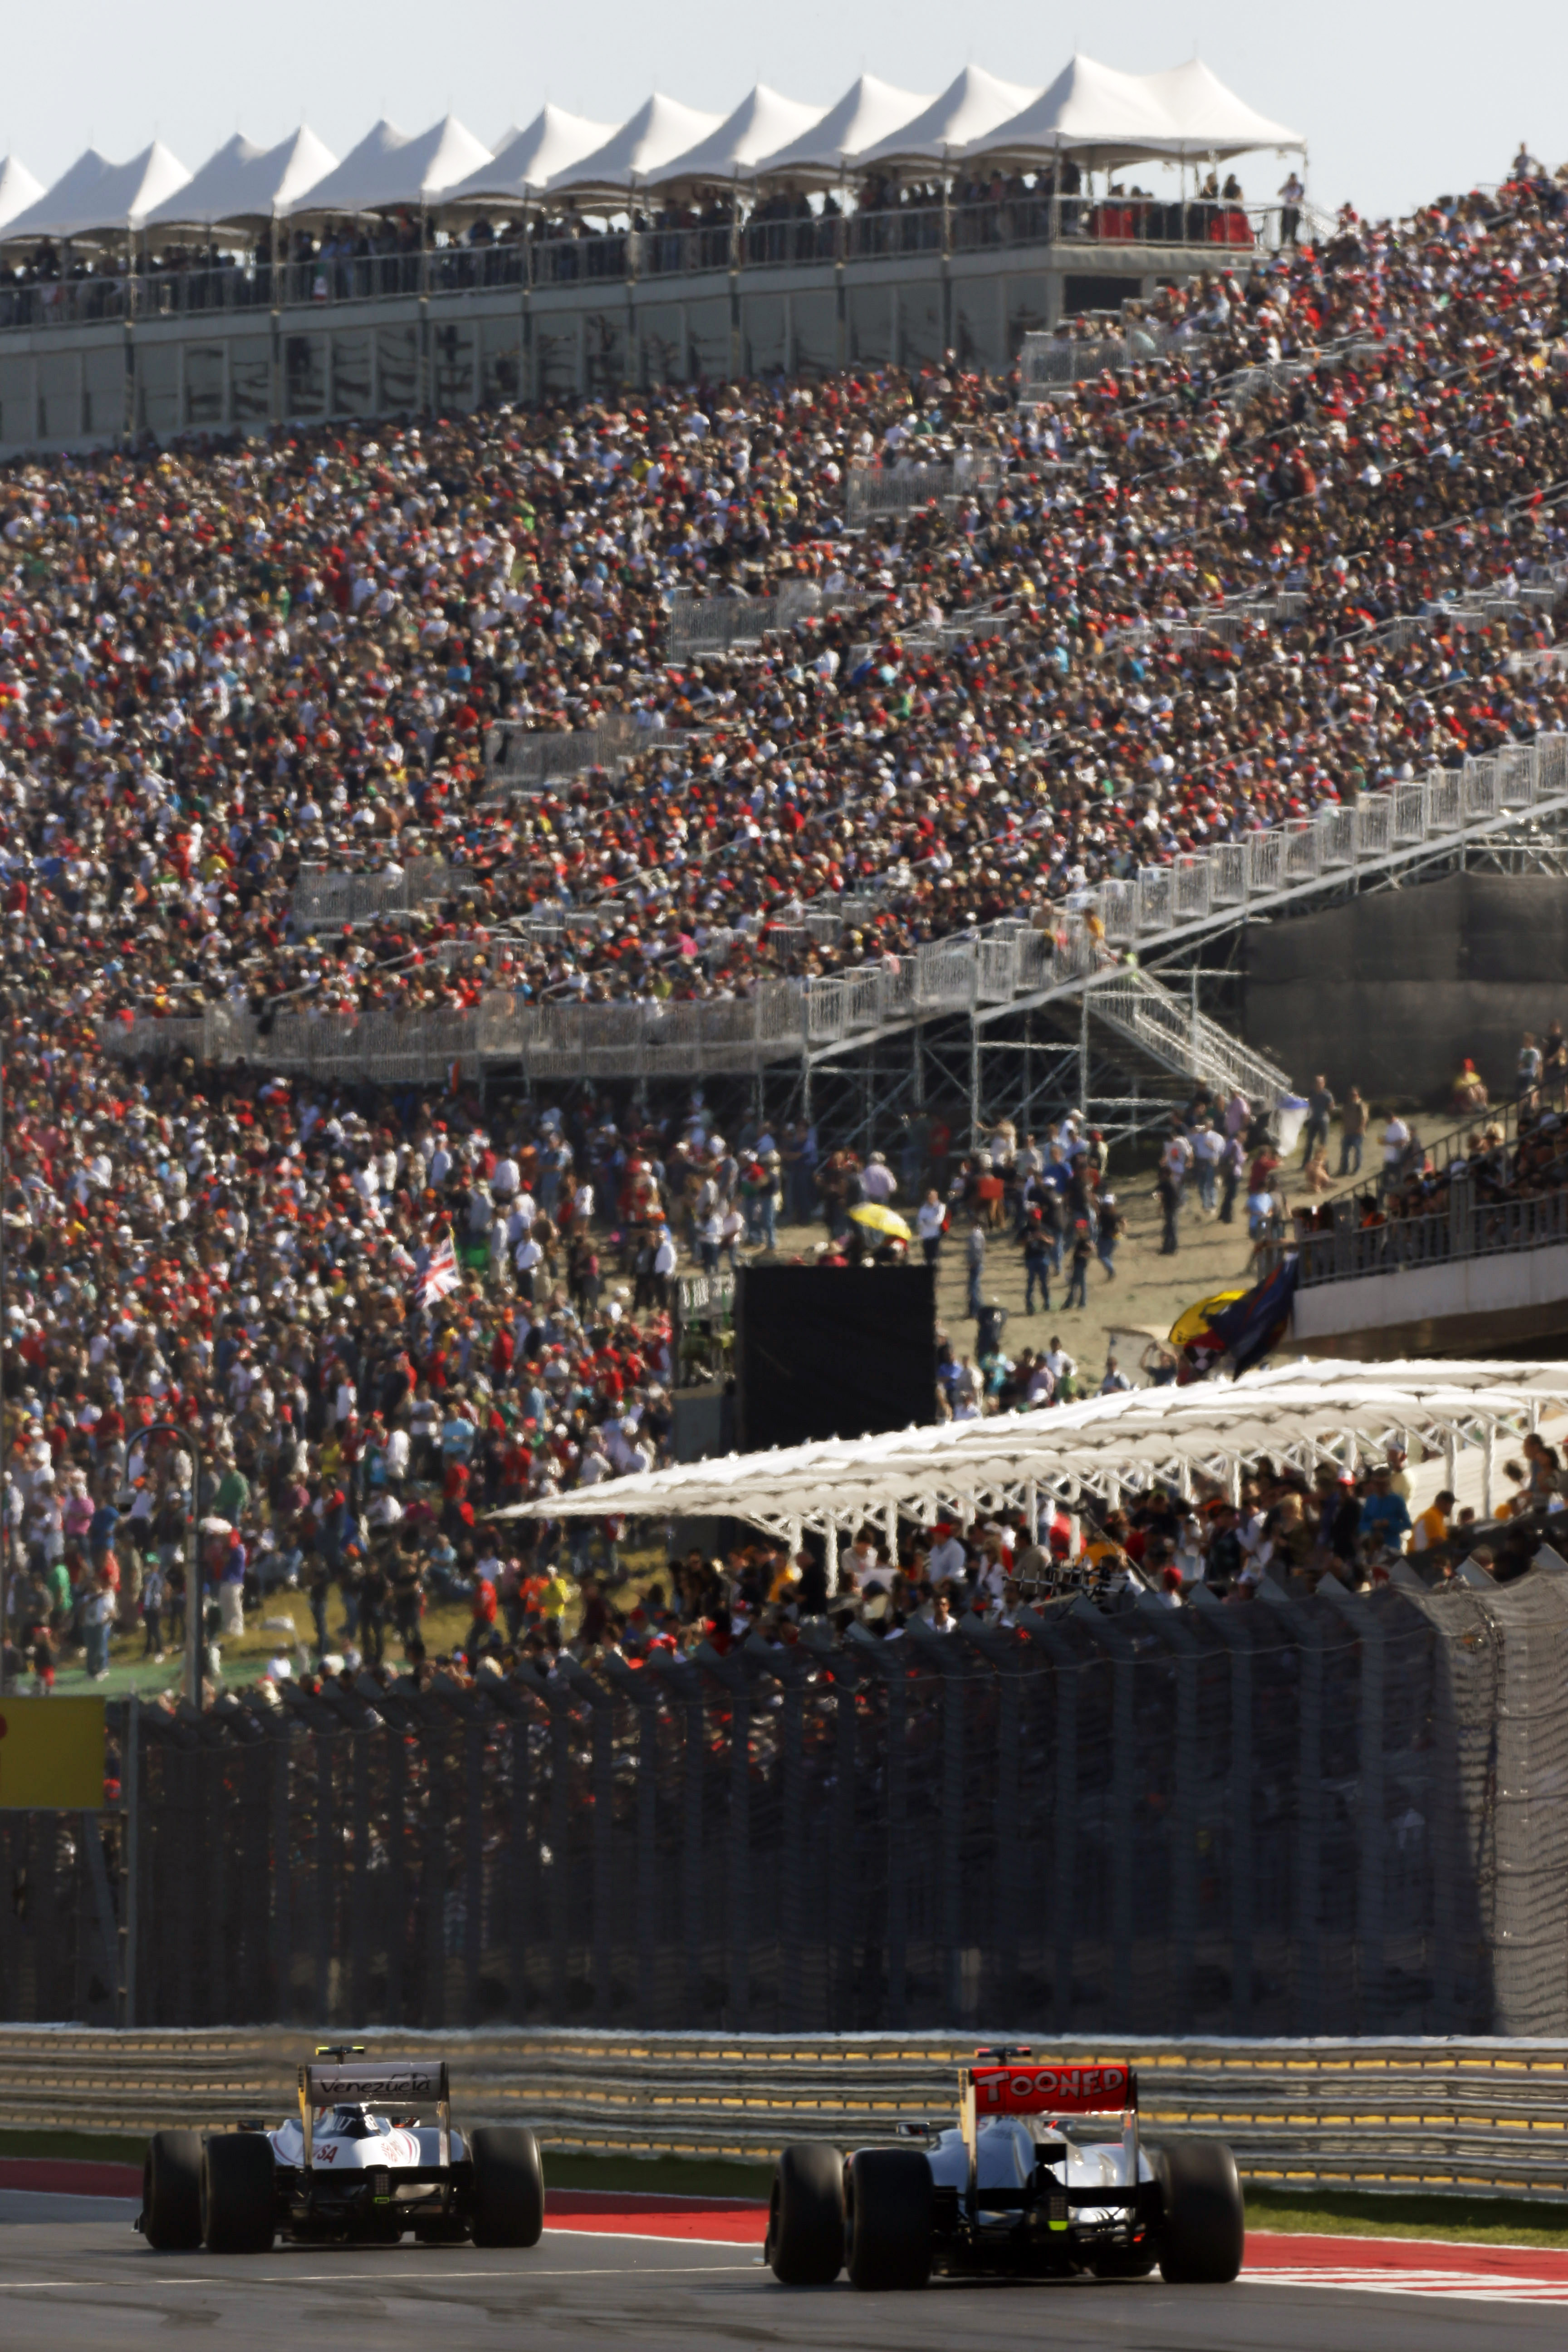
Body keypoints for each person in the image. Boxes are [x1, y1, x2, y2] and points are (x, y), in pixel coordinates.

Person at [1302, 1075, 1334, 1166]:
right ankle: (1306, 1163)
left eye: (1320, 1083)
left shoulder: (1327, 1095)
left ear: (1323, 1084)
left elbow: (1331, 1107)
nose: (1318, 1085)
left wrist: (1328, 1112)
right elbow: (1309, 1104)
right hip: (1313, 1120)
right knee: (1310, 1142)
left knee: (1322, 1144)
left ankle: (1322, 1163)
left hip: (1323, 1121)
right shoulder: (1312, 1094)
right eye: (1317, 1083)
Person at [1338, 1087, 1368, 1177]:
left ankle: (1356, 1169)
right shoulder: (1346, 1106)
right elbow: (1344, 1118)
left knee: (1357, 1151)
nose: (1352, 1096)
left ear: (1358, 1095)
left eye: (1354, 1095)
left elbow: (1364, 1118)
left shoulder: (1361, 1105)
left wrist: (1361, 1128)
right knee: (1345, 1151)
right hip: (1347, 1132)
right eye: (1351, 1095)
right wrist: (1343, 1128)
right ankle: (1344, 1169)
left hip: (1357, 1133)